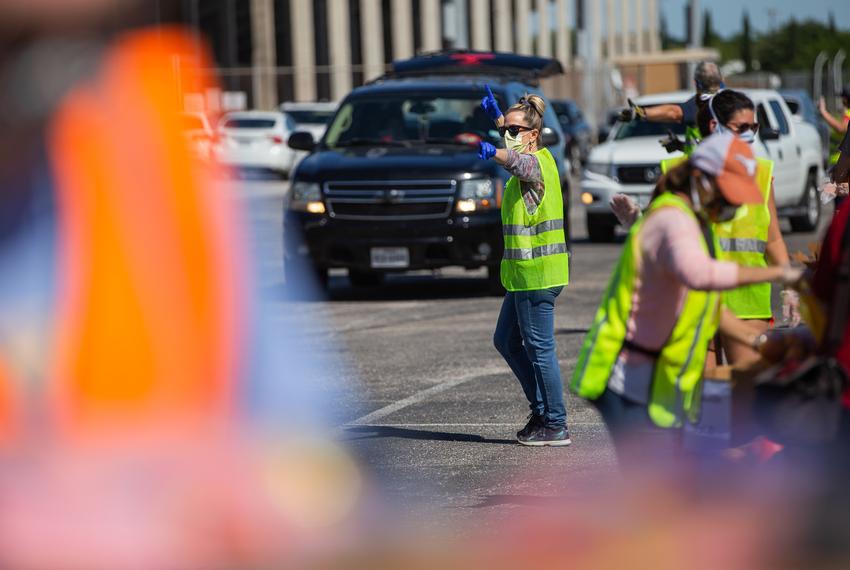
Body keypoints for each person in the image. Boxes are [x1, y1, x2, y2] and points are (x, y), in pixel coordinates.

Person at [571, 133, 802, 460]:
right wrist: (781, 273)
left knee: (689, 472)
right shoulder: (673, 218)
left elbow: (710, 308)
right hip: (626, 376)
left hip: (656, 378)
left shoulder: (696, 223)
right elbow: (699, 274)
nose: (732, 206)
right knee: (659, 483)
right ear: (700, 179)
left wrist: (762, 344)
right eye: (728, 195)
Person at [612, 90, 799, 365]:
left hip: (747, 303)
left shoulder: (761, 173)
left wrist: (789, 286)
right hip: (692, 303)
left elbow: (772, 239)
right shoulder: (677, 172)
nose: (749, 135)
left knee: (746, 396)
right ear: (715, 126)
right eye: (742, 127)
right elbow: (660, 238)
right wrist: (636, 222)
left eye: (754, 127)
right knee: (700, 399)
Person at [477, 86, 571, 446]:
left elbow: (518, 160)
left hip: (537, 277)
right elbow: (515, 143)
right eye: (505, 131)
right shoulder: (530, 151)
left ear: (534, 136)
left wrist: (495, 152)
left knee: (539, 348)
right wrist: (499, 119)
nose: (507, 136)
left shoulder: (535, 165)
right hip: (522, 277)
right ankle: (543, 410)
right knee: (506, 341)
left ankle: (555, 422)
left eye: (515, 132)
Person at [619, 61, 724, 154]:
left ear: (696, 82)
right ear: (721, 80)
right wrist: (681, 146)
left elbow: (674, 112)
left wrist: (641, 113)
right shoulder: (733, 100)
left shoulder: (703, 102)